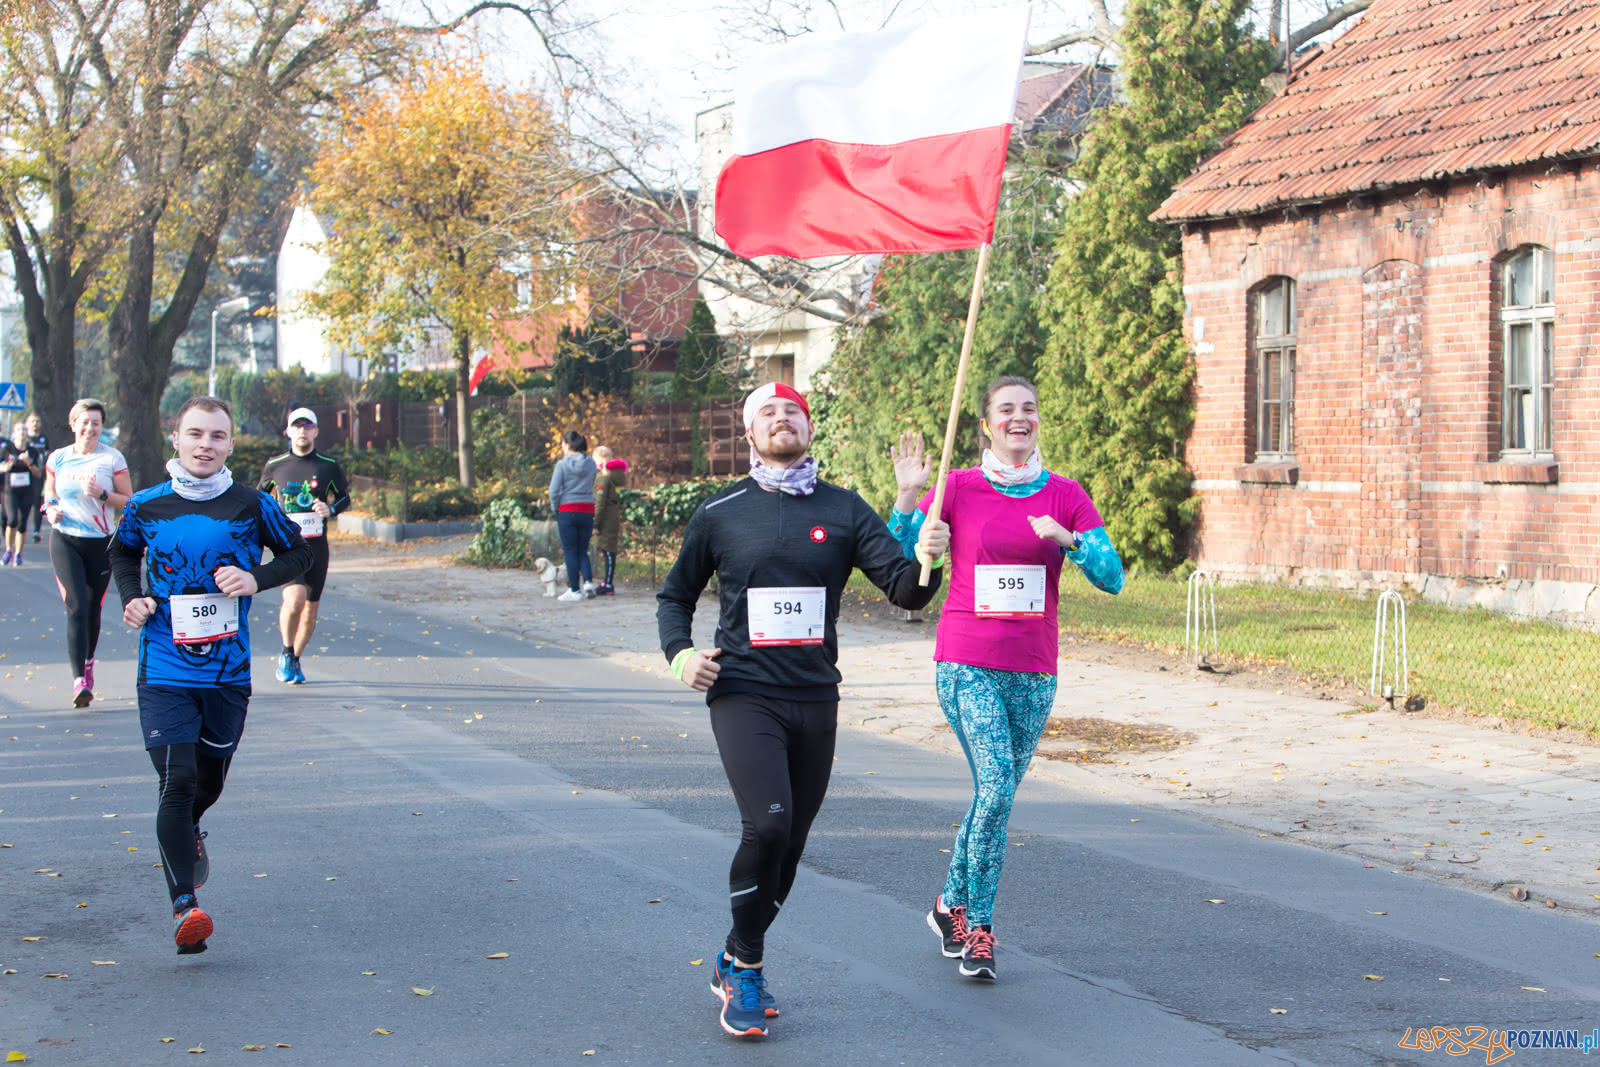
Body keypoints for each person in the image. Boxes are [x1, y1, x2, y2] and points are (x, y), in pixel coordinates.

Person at [657, 382, 948, 1039]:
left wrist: (927, 547)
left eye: (793, 410)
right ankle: (750, 967)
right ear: (750, 432)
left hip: (815, 696)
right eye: (768, 410)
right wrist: (680, 654)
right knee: (768, 822)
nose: (782, 417)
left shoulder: (844, 508)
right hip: (743, 692)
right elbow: (673, 597)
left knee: (790, 846)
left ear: (809, 429)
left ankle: (733, 950)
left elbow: (906, 592)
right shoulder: (721, 511)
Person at [888, 376, 1124, 982]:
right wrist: (911, 507)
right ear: (987, 425)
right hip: (966, 662)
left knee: (994, 799)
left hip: (1033, 670)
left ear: (1037, 422)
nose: (1019, 418)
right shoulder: (959, 488)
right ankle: (981, 931)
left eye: (1029, 409)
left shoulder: (1066, 495)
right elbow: (896, 563)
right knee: (995, 790)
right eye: (1006, 410)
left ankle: (948, 904)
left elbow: (1114, 576)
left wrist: (1068, 540)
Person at [109, 396, 312, 955]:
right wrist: (134, 600)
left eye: (217, 436)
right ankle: (185, 908)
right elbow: (124, 557)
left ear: (229, 444)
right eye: (195, 434)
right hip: (164, 664)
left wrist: (256, 579)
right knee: (176, 782)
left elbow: (299, 556)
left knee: (208, 781)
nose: (205, 445)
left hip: (227, 670)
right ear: (176, 438)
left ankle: (192, 827)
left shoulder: (251, 504)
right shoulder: (146, 506)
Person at [42, 398, 133, 707]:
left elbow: (129, 502)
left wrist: (104, 494)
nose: (91, 428)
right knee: (77, 606)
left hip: (101, 542)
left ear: (101, 427)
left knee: (93, 610)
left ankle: (89, 660)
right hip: (65, 539)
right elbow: (49, 492)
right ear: (74, 424)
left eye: (96, 423)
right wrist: (49, 509)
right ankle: (78, 679)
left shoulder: (112, 459)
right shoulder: (59, 458)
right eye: (85, 422)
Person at [257, 407, 351, 685]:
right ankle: (286, 652)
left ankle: (294, 658)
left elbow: (345, 498)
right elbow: (259, 500)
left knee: (310, 609)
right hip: (288, 546)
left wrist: (330, 509)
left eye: (307, 426)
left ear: (316, 431)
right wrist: (272, 515)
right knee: (294, 599)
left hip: (318, 548)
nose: (302, 431)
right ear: (288, 431)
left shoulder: (328, 465)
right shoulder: (276, 465)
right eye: (297, 426)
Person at [548, 430, 597, 602]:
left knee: (570, 551)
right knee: (582, 549)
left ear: (568, 445)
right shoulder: (591, 463)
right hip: (587, 509)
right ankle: (589, 583)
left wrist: (555, 508)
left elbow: (553, 491)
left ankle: (575, 590)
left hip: (567, 509)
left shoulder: (562, 465)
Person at [1, 421, 45, 565]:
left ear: (27, 434)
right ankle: (8, 550)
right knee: (12, 519)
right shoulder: (7, 449)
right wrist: (7, 466)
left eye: (24, 430)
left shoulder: (32, 451)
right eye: (19, 429)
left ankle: (18, 554)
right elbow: (0, 466)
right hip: (10, 490)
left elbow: (39, 473)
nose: (22, 432)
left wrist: (29, 463)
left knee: (22, 523)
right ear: (14, 432)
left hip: (27, 491)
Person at [591, 444, 627, 596]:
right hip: (612, 517)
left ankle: (608, 584)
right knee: (608, 550)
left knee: (608, 551)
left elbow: (600, 503)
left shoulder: (603, 478)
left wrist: (595, 524)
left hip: (605, 519)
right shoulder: (613, 476)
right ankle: (607, 581)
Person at [26, 412, 48, 543]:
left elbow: (47, 454)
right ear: (27, 423)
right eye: (32, 421)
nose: (35, 424)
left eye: (37, 421)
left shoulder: (43, 439)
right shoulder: (24, 437)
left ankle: (36, 531)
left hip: (38, 475)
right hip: (24, 475)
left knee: (38, 502)